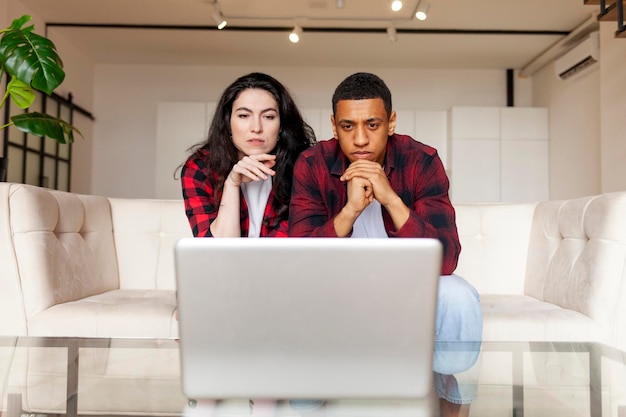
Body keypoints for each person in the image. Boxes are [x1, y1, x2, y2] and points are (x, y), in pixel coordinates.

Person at [288, 72, 482, 417]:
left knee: (459, 295)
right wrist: (349, 211)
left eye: (372, 124)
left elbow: (447, 258)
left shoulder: (421, 160)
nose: (360, 139)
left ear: (391, 122)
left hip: (409, 287)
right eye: (348, 126)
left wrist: (391, 198)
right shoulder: (312, 164)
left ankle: (453, 411)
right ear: (334, 126)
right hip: (335, 287)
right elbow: (302, 261)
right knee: (295, 299)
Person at [181, 72, 316, 237]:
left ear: (281, 125)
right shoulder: (200, 168)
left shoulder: (304, 166)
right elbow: (219, 253)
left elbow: (292, 249)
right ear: (228, 122)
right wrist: (232, 184)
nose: (256, 128)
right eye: (244, 115)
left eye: (268, 116)